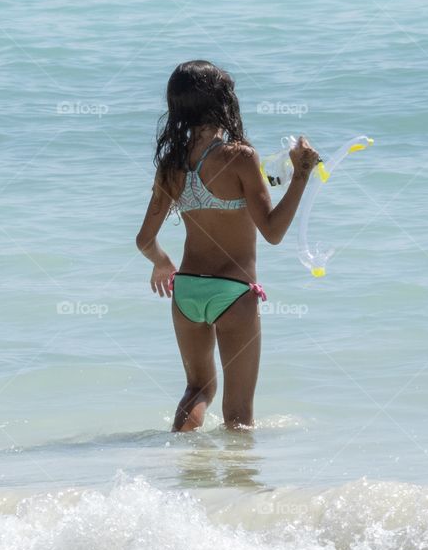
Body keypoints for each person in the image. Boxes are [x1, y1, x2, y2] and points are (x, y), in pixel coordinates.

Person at [135, 61, 319, 431]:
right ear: (224, 102)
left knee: (197, 389)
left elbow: (144, 240)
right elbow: (273, 231)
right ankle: (238, 487)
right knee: (238, 415)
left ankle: (183, 465)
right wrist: (301, 174)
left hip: (185, 291)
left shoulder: (171, 165)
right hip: (233, 294)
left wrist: (162, 263)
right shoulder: (240, 157)